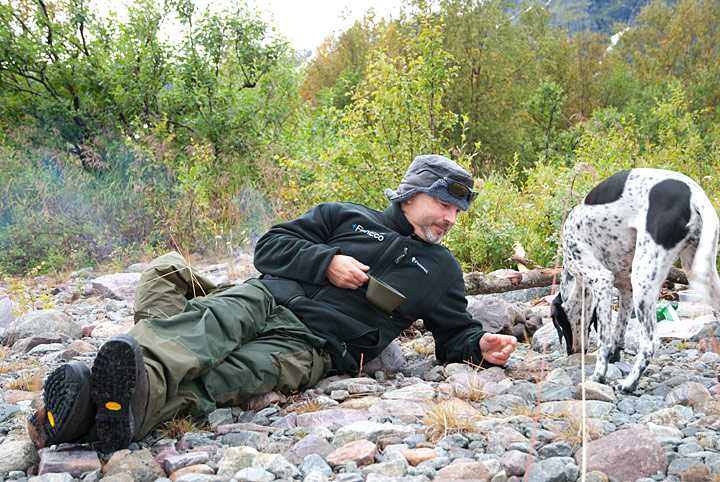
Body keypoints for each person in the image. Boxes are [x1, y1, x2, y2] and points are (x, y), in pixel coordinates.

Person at [28, 154, 517, 452]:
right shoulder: (346, 216)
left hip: (313, 344)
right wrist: (326, 262)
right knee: (206, 327)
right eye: (445, 205)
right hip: (266, 295)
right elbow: (270, 247)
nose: (451, 219)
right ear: (411, 195)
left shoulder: (442, 271)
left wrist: (480, 347)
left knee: (227, 376)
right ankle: (118, 390)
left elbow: (454, 334)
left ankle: (94, 412)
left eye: (458, 211)